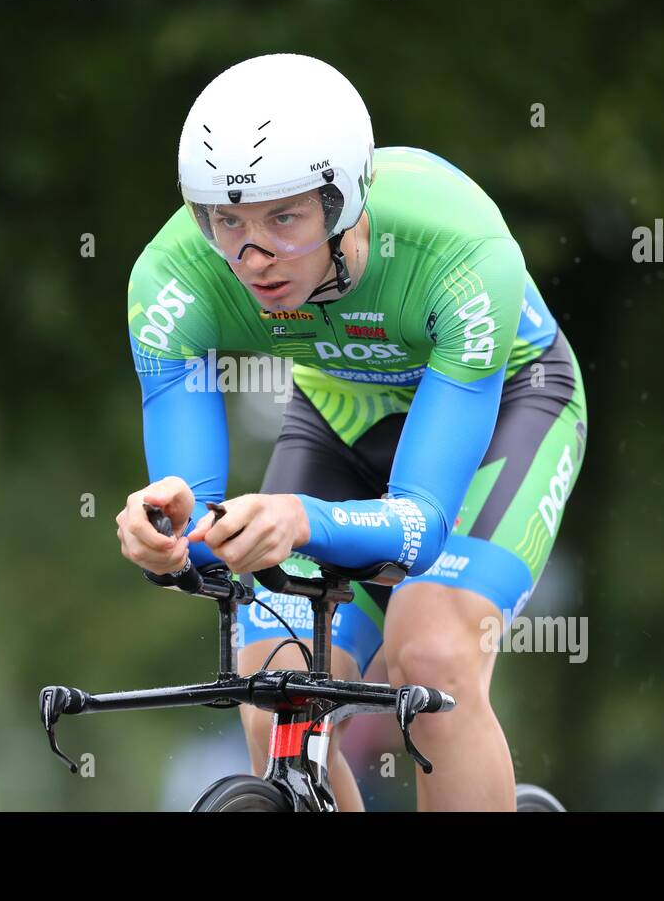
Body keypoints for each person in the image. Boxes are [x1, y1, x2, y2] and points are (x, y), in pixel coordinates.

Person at [115, 53, 587, 811]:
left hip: (507, 407)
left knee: (430, 651)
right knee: (272, 684)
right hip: (341, 417)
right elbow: (193, 517)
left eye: (284, 218)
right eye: (226, 221)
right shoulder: (175, 278)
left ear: (344, 199)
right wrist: (169, 537)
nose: (253, 256)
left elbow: (418, 528)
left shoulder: (460, 248)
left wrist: (301, 518)